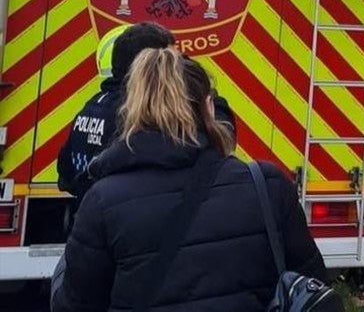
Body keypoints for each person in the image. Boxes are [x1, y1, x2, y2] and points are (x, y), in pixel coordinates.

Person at [52, 48, 329, 311]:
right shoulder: (266, 186)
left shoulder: (101, 201)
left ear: (132, 108)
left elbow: (75, 304)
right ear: (209, 107)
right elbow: (312, 287)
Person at [56, 21, 235, 198]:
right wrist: (203, 92)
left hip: (94, 216)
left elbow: (66, 177)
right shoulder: (134, 114)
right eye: (171, 60)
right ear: (148, 65)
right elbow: (213, 143)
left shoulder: (92, 107)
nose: (177, 67)